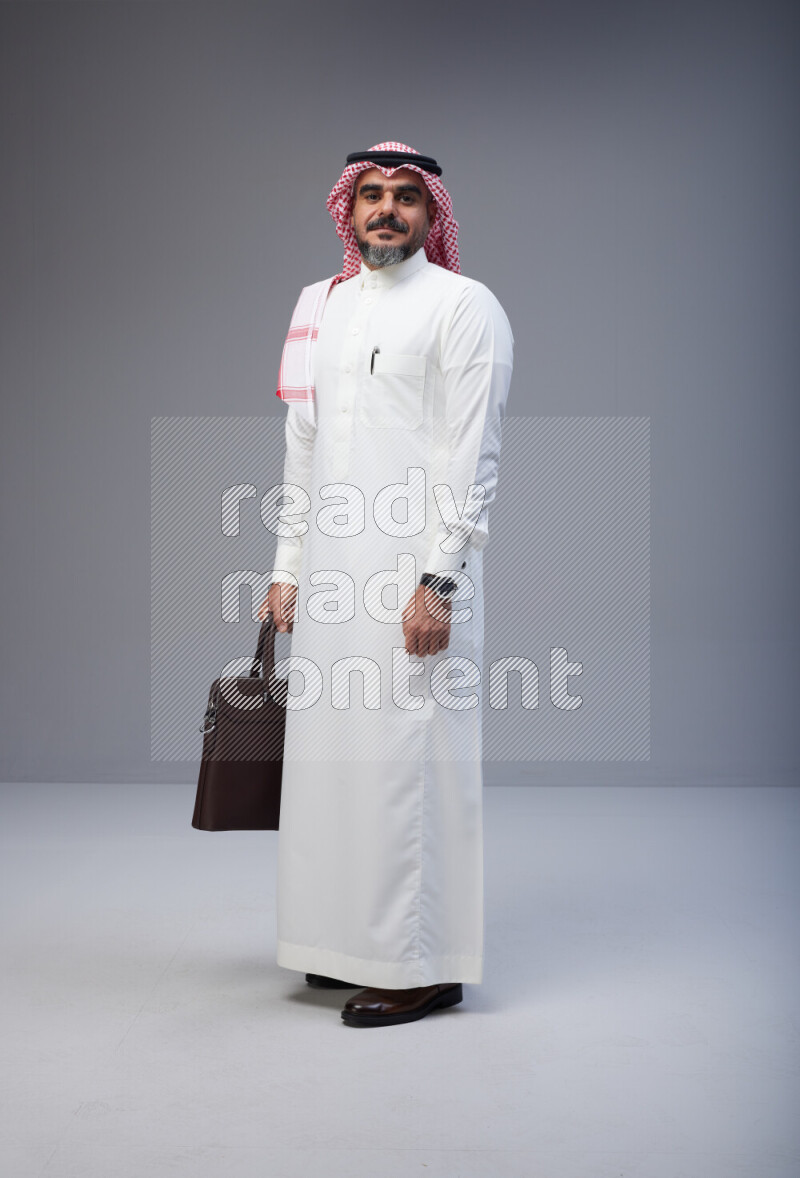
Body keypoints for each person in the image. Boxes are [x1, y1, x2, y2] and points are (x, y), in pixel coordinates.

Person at [258, 141, 514, 1027]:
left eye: (406, 197)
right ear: (347, 208)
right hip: (332, 580)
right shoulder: (317, 307)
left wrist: (440, 579)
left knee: (411, 763)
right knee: (334, 768)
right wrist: (287, 568)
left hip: (415, 578)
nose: (386, 211)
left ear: (430, 212)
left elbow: (474, 454)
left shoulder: (464, 307)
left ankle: (421, 964)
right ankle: (341, 945)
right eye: (371, 195)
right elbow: (303, 444)